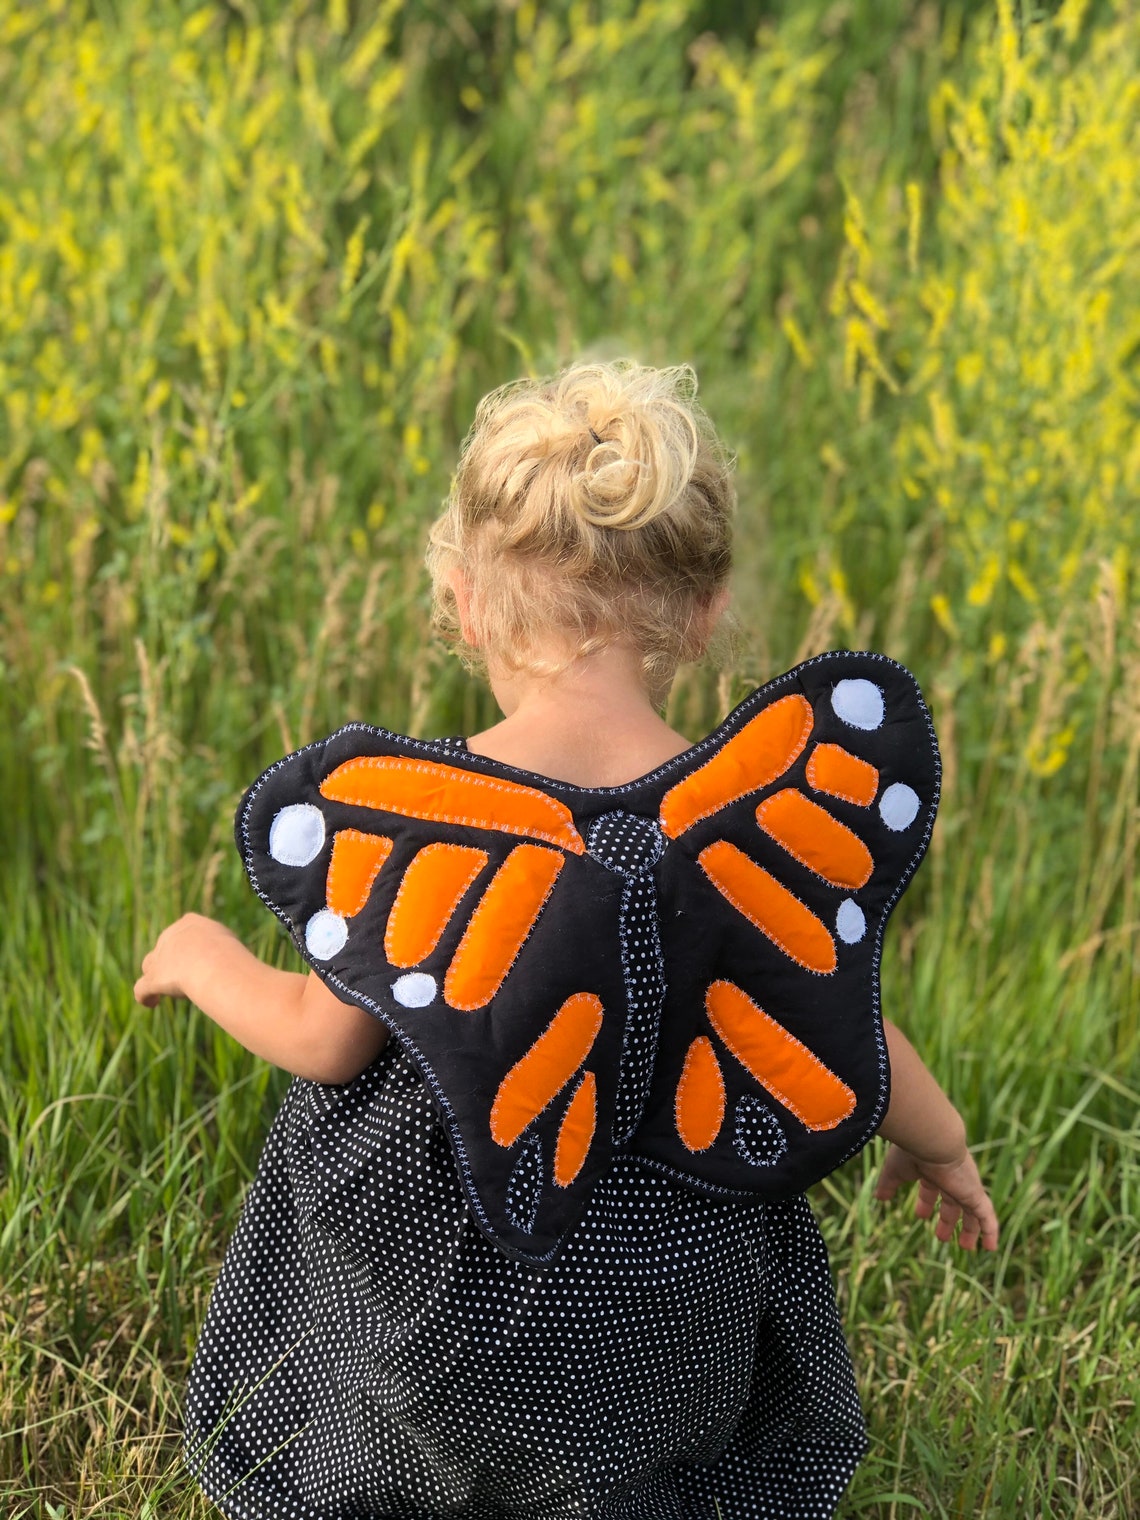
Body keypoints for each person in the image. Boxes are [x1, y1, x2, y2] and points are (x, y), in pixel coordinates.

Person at [136, 360, 998, 1520]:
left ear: (467, 599)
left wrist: (202, 952)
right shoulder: (731, 827)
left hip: (436, 1337)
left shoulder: (437, 825)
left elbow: (324, 1041)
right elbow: (844, 1028)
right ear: (705, 608)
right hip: (658, 1344)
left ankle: (381, 1465)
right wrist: (940, 1145)